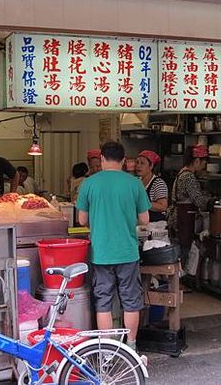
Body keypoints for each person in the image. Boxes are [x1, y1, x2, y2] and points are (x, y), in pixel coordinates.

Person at [76, 141, 151, 351]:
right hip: (127, 252)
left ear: (101, 159)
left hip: (101, 253)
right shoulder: (134, 183)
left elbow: (81, 220)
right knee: (130, 301)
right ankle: (132, 346)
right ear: (124, 160)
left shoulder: (89, 183)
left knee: (103, 302)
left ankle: (107, 349)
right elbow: (144, 219)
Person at [167, 145, 213, 258]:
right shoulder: (189, 177)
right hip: (182, 221)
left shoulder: (182, 173)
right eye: (203, 163)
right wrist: (211, 202)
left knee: (178, 254)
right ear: (197, 161)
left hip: (177, 220)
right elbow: (199, 202)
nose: (204, 166)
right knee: (182, 254)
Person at [136, 150, 168, 222]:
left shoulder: (158, 183)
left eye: (142, 163)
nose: (138, 166)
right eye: (137, 162)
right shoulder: (136, 182)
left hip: (155, 226)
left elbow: (163, 206)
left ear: (151, 166)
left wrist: (143, 203)